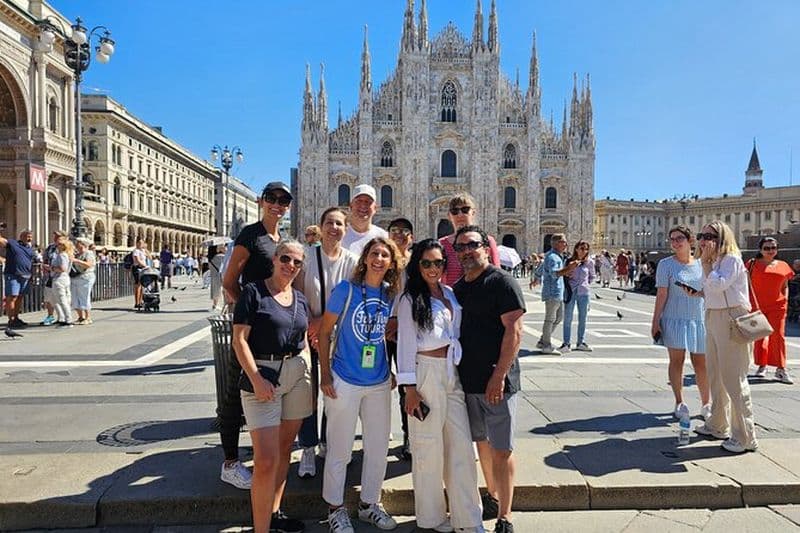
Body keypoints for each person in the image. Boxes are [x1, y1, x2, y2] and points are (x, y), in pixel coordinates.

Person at [396, 239, 484, 533]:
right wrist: (409, 388)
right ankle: (432, 517)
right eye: (426, 263)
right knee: (428, 448)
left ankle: (468, 519)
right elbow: (405, 345)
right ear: (417, 266)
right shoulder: (410, 299)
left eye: (438, 263)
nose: (433, 268)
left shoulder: (449, 292)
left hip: (451, 372)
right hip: (424, 374)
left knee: (461, 447)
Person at [317, 237, 402, 533]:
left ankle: (369, 504)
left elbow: (388, 336)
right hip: (345, 378)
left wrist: (390, 370)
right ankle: (335, 509)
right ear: (365, 258)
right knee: (340, 449)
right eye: (374, 253)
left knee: (377, 447)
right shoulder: (346, 290)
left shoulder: (392, 295)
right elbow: (324, 332)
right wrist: (325, 375)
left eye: (385, 255)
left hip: (378, 381)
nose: (379, 259)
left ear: (391, 263)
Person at [232, 240, 311, 533]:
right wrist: (255, 379)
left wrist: (305, 364)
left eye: (297, 262)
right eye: (286, 259)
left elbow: (305, 335)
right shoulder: (254, 292)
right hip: (263, 377)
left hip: (295, 376)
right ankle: (260, 529)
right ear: (275, 259)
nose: (290, 265)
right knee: (265, 459)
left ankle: (274, 513)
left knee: (283, 450)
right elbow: (239, 340)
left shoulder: (300, 298)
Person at [219, 182, 292, 497]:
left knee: (265, 388)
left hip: (270, 330)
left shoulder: (281, 239)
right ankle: (231, 463)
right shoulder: (251, 234)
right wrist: (243, 312)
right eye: (273, 199)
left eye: (284, 200)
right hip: (250, 326)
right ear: (262, 201)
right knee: (237, 388)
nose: (278, 205)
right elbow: (228, 279)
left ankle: (259, 451)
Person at [453, 225, 525, 533]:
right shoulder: (458, 288)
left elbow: (515, 331)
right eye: (461, 247)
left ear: (485, 247)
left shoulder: (502, 282)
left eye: (473, 245)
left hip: (497, 382)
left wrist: (499, 376)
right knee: (481, 442)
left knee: (502, 448)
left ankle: (505, 515)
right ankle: (492, 495)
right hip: (468, 381)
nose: (467, 251)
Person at [293, 207, 359, 478]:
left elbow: (354, 297)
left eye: (340, 224)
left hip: (339, 337)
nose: (334, 228)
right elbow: (295, 294)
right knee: (308, 392)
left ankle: (326, 442)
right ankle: (307, 447)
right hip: (308, 335)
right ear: (321, 227)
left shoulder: (353, 261)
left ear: (346, 228)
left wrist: (326, 323)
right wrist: (311, 324)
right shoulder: (306, 258)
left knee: (334, 391)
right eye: (330, 223)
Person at [694, 221, 758, 454]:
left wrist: (705, 264)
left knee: (733, 377)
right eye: (702, 235)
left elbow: (720, 285)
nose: (704, 240)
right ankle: (718, 423)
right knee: (715, 373)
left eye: (710, 236)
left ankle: (745, 436)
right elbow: (710, 289)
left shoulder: (731, 259)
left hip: (731, 317)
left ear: (722, 239)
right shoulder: (712, 262)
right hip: (713, 315)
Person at [651, 226, 711, 420]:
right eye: (672, 239)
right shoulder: (665, 264)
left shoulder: (703, 264)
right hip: (674, 317)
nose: (676, 243)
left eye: (679, 239)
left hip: (698, 319)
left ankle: (706, 403)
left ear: (690, 240)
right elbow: (662, 294)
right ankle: (679, 401)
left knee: (701, 363)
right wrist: (655, 321)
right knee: (677, 361)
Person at [386, 216, 414, 459]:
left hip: (407, 332)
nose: (400, 234)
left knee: (407, 385)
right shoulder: (380, 260)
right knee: (379, 385)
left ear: (411, 237)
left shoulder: (417, 264)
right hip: (382, 332)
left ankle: (409, 435)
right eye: (395, 230)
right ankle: (380, 433)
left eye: (404, 231)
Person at [747, 237, 794, 384]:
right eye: (766, 248)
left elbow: (785, 285)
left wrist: (785, 299)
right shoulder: (752, 264)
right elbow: (744, 283)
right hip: (757, 305)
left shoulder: (783, 265)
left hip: (778, 306)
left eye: (773, 248)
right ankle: (762, 365)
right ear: (760, 249)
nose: (770, 251)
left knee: (778, 336)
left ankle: (781, 369)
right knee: (759, 337)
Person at [439, 193, 500, 287]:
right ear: (449, 216)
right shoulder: (441, 244)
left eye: (465, 210)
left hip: (479, 297)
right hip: (452, 299)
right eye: (454, 211)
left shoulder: (487, 241)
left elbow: (497, 274)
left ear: (473, 213)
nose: (460, 215)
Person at [559, 240, 595, 353]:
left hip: (583, 292)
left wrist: (585, 284)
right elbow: (563, 274)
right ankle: (566, 343)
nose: (584, 251)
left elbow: (592, 276)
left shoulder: (589, 263)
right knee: (568, 318)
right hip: (571, 291)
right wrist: (569, 273)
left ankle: (581, 342)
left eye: (586, 249)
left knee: (583, 318)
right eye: (582, 248)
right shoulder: (569, 261)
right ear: (576, 249)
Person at [538, 234, 567, 355]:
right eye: (563, 242)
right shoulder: (553, 257)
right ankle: (546, 345)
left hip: (558, 291)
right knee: (550, 319)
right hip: (552, 292)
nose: (566, 244)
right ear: (556, 243)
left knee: (559, 317)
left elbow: (540, 268)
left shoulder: (554, 256)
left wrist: (536, 277)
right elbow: (554, 274)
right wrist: (569, 269)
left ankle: (543, 340)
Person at [0, 229, 36, 328]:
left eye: (30, 237)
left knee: (20, 297)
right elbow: (1, 240)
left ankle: (16, 318)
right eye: (27, 236)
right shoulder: (13, 243)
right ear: (21, 236)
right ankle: (11, 320)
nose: (29, 238)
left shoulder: (30, 249)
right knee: (12, 296)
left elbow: (31, 262)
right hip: (13, 274)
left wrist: (31, 275)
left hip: (25, 275)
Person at [340, 184, 388, 256]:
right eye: (359, 201)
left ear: (375, 208)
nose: (363, 206)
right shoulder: (339, 234)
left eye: (368, 202)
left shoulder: (383, 236)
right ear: (351, 206)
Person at [41, 231, 67, 326]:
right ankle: (50, 315)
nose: (56, 238)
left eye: (58, 236)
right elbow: (45, 257)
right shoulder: (50, 247)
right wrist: (44, 266)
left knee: (60, 297)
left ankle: (64, 317)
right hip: (49, 276)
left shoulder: (67, 247)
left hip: (61, 276)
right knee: (49, 297)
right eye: (55, 236)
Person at [71, 237, 97, 325]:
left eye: (78, 243)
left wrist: (76, 261)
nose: (76, 244)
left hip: (85, 277)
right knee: (75, 297)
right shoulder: (77, 254)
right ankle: (80, 317)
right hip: (75, 277)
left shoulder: (88, 253)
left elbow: (89, 264)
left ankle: (88, 317)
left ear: (83, 244)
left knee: (84, 297)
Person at [50, 238, 74, 327]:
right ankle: (64, 318)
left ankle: (68, 319)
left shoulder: (62, 255)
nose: (57, 245)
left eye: (59, 244)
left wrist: (51, 268)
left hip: (59, 278)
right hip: (65, 278)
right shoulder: (67, 255)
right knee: (63, 299)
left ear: (63, 246)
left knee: (61, 299)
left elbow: (62, 269)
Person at [131, 239, 148, 310]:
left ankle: (140, 301)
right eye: (140, 243)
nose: (141, 244)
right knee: (138, 285)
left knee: (142, 286)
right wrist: (144, 266)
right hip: (137, 268)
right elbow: (137, 260)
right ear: (137, 243)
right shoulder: (136, 251)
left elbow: (150, 257)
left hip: (143, 269)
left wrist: (146, 249)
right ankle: (137, 302)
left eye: (142, 243)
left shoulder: (142, 251)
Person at [208, 245, 225, 311]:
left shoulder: (210, 258)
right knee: (220, 290)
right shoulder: (220, 257)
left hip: (213, 275)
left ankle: (214, 304)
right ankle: (217, 305)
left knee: (214, 290)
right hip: (219, 275)